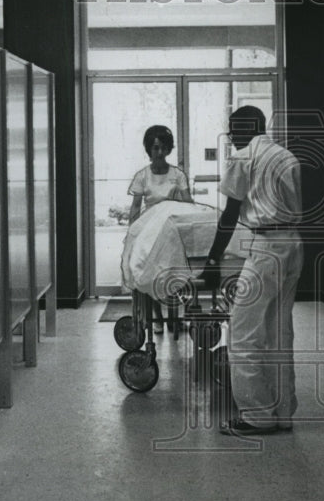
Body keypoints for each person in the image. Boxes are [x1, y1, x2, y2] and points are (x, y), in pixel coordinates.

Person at [199, 106, 303, 435]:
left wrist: (213, 260)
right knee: (278, 331)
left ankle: (256, 416)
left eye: (234, 128)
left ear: (251, 126)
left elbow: (229, 214)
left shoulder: (243, 158)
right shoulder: (286, 156)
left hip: (267, 248)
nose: (231, 135)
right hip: (293, 244)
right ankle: (282, 412)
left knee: (242, 332)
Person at [128, 124, 192, 333]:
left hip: (172, 227)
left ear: (169, 149)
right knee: (150, 271)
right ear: (149, 149)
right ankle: (156, 317)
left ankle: (174, 318)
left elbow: (187, 201)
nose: (160, 152)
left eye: (163, 148)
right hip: (149, 229)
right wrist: (132, 235)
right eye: (155, 148)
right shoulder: (142, 176)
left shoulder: (177, 174)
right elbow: (136, 207)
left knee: (174, 269)